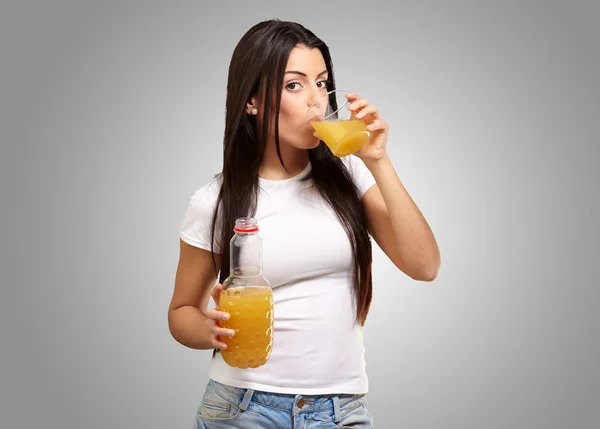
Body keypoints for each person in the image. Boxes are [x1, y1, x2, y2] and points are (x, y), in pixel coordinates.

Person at [168, 19, 440, 429]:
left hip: (341, 410)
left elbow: (424, 266)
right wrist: (209, 329)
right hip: (242, 407)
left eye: (322, 83)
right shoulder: (216, 201)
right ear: (252, 102)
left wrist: (379, 161)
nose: (317, 100)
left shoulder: (350, 174)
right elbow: (181, 312)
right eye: (294, 85)